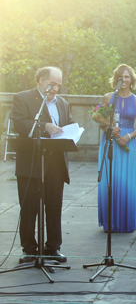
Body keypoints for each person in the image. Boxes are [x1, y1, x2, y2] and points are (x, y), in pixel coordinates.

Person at [11, 66, 73, 263]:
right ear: (40, 80)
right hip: (31, 161)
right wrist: (43, 127)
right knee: (29, 207)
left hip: (55, 163)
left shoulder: (63, 103)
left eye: (58, 85)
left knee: (54, 206)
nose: (55, 89)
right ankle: (29, 250)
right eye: (51, 84)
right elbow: (19, 123)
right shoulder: (23, 98)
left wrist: (71, 132)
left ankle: (52, 248)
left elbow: (69, 122)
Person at [98, 64, 136, 233]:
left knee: (127, 182)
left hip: (128, 143)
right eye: (121, 77)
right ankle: (110, 222)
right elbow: (101, 122)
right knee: (110, 180)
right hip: (110, 141)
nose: (124, 80)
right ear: (116, 79)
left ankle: (126, 222)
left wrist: (128, 136)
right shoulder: (107, 97)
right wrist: (108, 129)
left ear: (131, 79)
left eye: (127, 77)